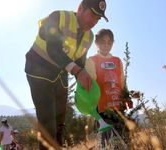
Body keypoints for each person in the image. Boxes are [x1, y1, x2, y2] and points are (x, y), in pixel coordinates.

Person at [24, 0, 108, 149]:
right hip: (38, 70)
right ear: (81, 8)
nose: (94, 21)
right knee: (48, 122)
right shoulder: (58, 17)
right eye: (92, 15)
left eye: (98, 19)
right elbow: (53, 49)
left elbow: (79, 62)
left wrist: (87, 84)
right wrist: (78, 72)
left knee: (59, 124)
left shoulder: (89, 37)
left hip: (61, 75)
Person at [85, 29, 132, 147]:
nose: (106, 45)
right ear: (96, 43)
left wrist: (127, 97)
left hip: (119, 108)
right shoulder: (92, 61)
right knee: (108, 144)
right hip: (102, 111)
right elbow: (90, 84)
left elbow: (122, 82)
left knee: (124, 142)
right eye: (102, 42)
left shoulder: (117, 61)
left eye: (109, 43)